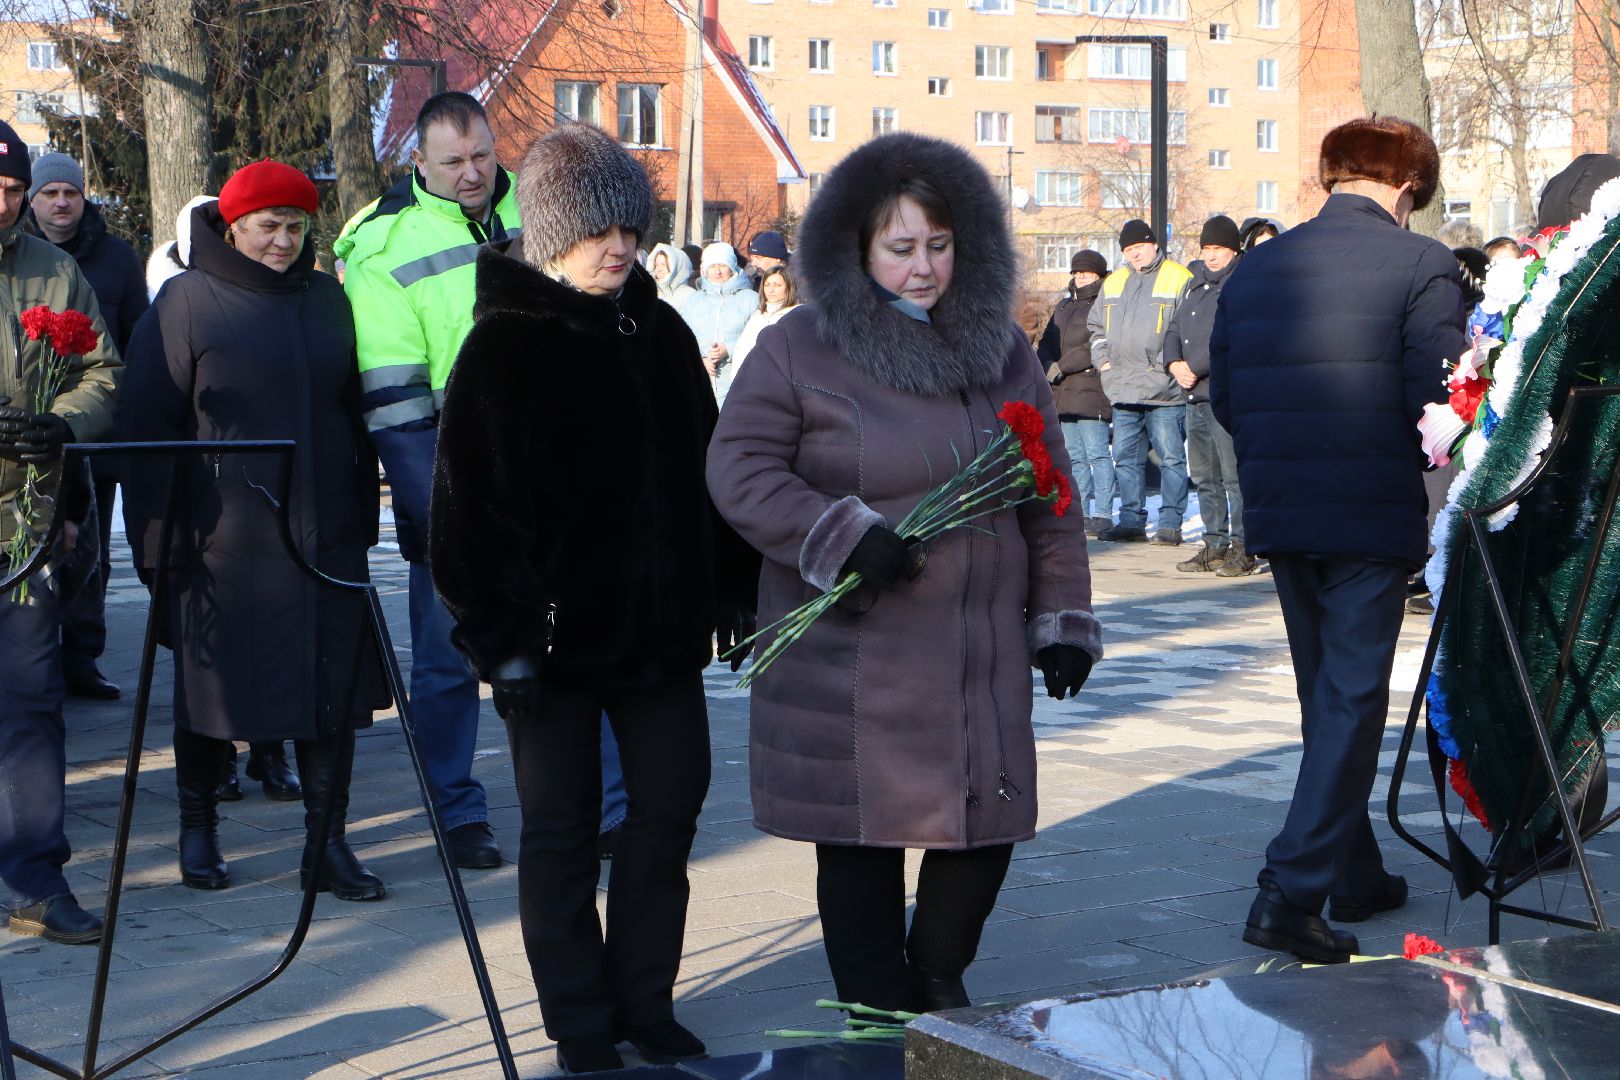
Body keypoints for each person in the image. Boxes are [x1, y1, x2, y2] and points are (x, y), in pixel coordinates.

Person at [707, 132, 1101, 1016]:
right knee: (862, 842)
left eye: (940, 244)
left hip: (976, 655)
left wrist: (1063, 617)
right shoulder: (798, 347)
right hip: (855, 657)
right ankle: (880, 1015)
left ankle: (937, 975)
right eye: (901, 247)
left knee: (987, 827)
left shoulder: (1002, 348)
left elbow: (1048, 494)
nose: (924, 268)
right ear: (857, 248)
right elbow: (739, 468)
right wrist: (838, 534)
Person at [429, 123, 758, 1076]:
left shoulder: (661, 332)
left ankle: (644, 1000)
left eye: (628, 228)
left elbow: (711, 472)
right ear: (551, 234)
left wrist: (733, 587)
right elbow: (469, 512)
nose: (617, 247)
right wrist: (502, 640)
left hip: (660, 634)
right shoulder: (505, 344)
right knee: (562, 831)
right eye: (594, 230)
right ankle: (578, 1017)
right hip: (553, 646)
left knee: (669, 810)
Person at [1211, 115, 1465, 963]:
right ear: (1406, 186)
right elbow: (1435, 397)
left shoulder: (1257, 265)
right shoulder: (1421, 262)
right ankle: (1291, 891)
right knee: (1351, 698)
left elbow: (1226, 394)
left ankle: (1352, 871)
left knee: (1326, 692)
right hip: (1366, 503)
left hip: (1282, 502)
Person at [119, 160, 389, 901]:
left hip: (324, 533)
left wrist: (360, 518)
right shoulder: (186, 301)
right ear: (233, 226)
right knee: (211, 692)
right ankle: (198, 828)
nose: (283, 241)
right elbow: (148, 426)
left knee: (330, 693)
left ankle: (326, 844)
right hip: (222, 540)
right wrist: (157, 545)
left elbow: (353, 408)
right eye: (269, 226)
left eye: (296, 227)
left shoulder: (326, 299)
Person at [333, 91, 518, 872]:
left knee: (571, 646)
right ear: (418, 162)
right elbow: (396, 408)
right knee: (447, 664)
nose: (473, 173)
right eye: (453, 162)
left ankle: (601, 806)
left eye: (482, 156)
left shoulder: (541, 208)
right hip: (451, 480)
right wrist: (442, 517)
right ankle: (456, 811)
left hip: (549, 473)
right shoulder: (384, 245)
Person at [0, 122, 121, 946]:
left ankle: (35, 878)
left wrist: (63, 425)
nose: (5, 205)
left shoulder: (53, 269)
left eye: (14, 191)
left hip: (22, 528)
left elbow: (102, 370)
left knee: (31, 704)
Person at [24, 153, 147, 701]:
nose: (61, 202)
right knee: (31, 541)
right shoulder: (20, 258)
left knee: (89, 549)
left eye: (70, 193)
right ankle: (32, 651)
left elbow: (137, 338)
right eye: (49, 193)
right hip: (30, 431)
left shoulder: (116, 258)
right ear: (33, 201)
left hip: (94, 428)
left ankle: (82, 656)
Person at [1088, 219, 1192, 545]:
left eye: (1140, 247)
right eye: (1129, 249)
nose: (1135, 254)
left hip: (1165, 390)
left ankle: (1171, 523)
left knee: (1171, 459)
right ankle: (1131, 521)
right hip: (1123, 388)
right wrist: (1105, 365)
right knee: (1125, 458)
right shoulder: (1114, 282)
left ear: (1154, 245)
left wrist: (1172, 366)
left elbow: (1187, 330)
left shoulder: (1178, 277)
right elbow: (1096, 328)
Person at [1164, 216, 1253, 576]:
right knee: (1204, 475)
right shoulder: (1193, 283)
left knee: (1233, 476)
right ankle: (1215, 543)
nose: (1211, 255)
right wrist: (1173, 363)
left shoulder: (1242, 282)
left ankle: (1244, 547)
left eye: (1218, 248)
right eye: (1206, 248)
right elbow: (1173, 327)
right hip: (1193, 393)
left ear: (1234, 250)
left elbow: (1233, 334)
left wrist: (1195, 365)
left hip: (1224, 392)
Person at [1038, 248, 1114, 537]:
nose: (1081, 276)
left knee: (1098, 455)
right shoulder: (1063, 305)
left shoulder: (1104, 303)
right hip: (1063, 390)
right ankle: (1078, 513)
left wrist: (1062, 366)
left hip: (1091, 389)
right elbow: (1047, 340)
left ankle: (1103, 513)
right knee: (1073, 458)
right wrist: (1046, 365)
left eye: (1087, 272)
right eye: (1077, 271)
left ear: (1099, 275)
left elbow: (1096, 343)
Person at [680, 241, 758, 405]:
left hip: (739, 386)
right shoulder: (694, 301)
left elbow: (761, 339)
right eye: (712, 266)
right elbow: (682, 340)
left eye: (723, 265)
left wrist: (729, 349)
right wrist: (700, 359)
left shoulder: (750, 299)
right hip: (702, 386)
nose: (717, 271)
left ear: (732, 267)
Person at [727, 264, 798, 379]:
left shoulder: (796, 315)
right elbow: (742, 350)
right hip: (750, 381)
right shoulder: (757, 316)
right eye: (767, 285)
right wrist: (737, 380)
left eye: (777, 285)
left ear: (789, 287)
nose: (771, 290)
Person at [648, 242, 696, 311]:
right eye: (656, 265)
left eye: (663, 264)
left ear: (677, 267)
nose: (659, 269)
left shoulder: (690, 296)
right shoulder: (653, 294)